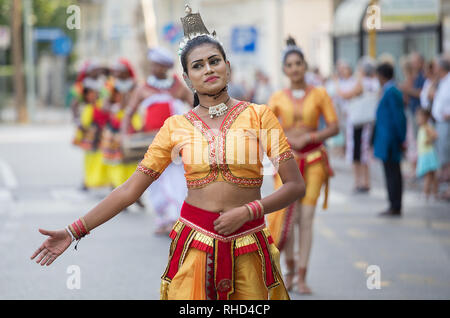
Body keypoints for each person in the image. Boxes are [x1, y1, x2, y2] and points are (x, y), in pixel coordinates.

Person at [31, 5, 305, 301]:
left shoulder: (259, 116)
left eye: (214, 61)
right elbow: (129, 190)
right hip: (195, 248)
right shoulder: (176, 127)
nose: (208, 69)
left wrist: (249, 211)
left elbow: (294, 185)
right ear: (187, 79)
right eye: (197, 66)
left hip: (250, 246)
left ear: (228, 66)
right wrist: (73, 231)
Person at [265, 37, 339, 294]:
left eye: (299, 63)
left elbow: (334, 126)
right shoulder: (276, 97)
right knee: (288, 216)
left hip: (315, 159)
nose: (295, 68)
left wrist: (311, 137)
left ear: (305, 66)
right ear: (284, 69)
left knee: (306, 218)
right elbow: (266, 129)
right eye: (290, 64)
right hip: (287, 162)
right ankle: (291, 270)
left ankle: (303, 276)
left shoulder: (320, 94)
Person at [121, 46, 193, 235]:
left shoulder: (177, 87)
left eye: (160, 66)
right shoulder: (143, 88)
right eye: (153, 65)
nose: (156, 69)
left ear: (167, 67)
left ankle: (175, 220)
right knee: (155, 183)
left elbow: (196, 107)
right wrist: (124, 136)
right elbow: (129, 114)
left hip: (176, 145)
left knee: (176, 182)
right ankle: (163, 219)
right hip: (149, 143)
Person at [99, 58, 144, 209]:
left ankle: (135, 194)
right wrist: (115, 108)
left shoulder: (137, 85)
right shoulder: (111, 86)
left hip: (133, 125)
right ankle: (118, 194)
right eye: (115, 71)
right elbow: (105, 104)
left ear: (127, 71)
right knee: (116, 161)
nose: (117, 74)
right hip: (115, 127)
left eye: (120, 71)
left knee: (135, 161)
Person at [337, 56, 379, 193]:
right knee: (364, 152)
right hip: (367, 121)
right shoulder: (374, 82)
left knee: (358, 153)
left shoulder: (362, 82)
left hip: (358, 122)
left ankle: (360, 181)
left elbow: (345, 95)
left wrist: (336, 83)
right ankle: (364, 181)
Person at [373, 62, 407, 217]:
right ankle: (393, 203)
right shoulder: (388, 90)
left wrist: (401, 138)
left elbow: (398, 117)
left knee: (393, 173)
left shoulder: (392, 91)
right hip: (387, 139)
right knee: (390, 172)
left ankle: (395, 204)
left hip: (391, 140)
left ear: (382, 76)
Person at [431, 55, 450, 201]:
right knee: (442, 155)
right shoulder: (442, 82)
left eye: (436, 67)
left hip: (446, 122)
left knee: (447, 156)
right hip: (440, 122)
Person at [415, 108, 439, 200]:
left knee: (429, 175)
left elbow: (435, 135)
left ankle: (426, 193)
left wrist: (429, 140)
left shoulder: (426, 127)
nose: (418, 119)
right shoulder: (422, 127)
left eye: (420, 117)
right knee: (432, 175)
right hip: (424, 154)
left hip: (428, 154)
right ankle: (434, 193)